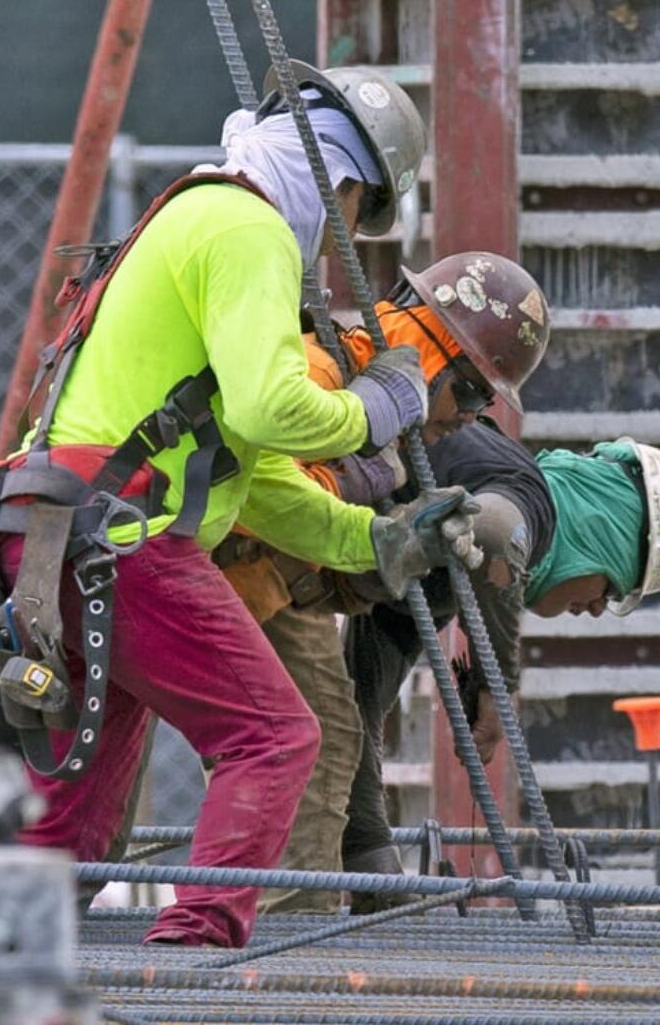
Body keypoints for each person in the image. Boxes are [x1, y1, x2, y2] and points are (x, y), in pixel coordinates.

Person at [0, 61, 475, 948]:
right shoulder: (249, 228)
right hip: (119, 535)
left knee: (73, 816)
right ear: (346, 181)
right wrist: (380, 409)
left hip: (56, 527)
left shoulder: (199, 215)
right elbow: (269, 410)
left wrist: (379, 539)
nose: (342, 242)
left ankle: (3, 958)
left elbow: (260, 479)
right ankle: (196, 953)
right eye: (357, 217)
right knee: (276, 736)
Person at [210, 251, 552, 914]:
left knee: (324, 732)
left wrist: (384, 553)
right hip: (181, 566)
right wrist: (379, 528)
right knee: (286, 744)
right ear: (430, 356)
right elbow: (256, 496)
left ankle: (289, 932)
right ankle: (275, 958)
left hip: (268, 587)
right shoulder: (319, 374)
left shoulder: (388, 423)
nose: (472, 418)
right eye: (473, 393)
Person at [338, 426, 660, 909]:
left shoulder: (435, 586)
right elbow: (495, 535)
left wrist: (375, 873)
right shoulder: (527, 496)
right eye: (613, 588)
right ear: (600, 535)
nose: (598, 609)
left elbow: (350, 713)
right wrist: (498, 688)